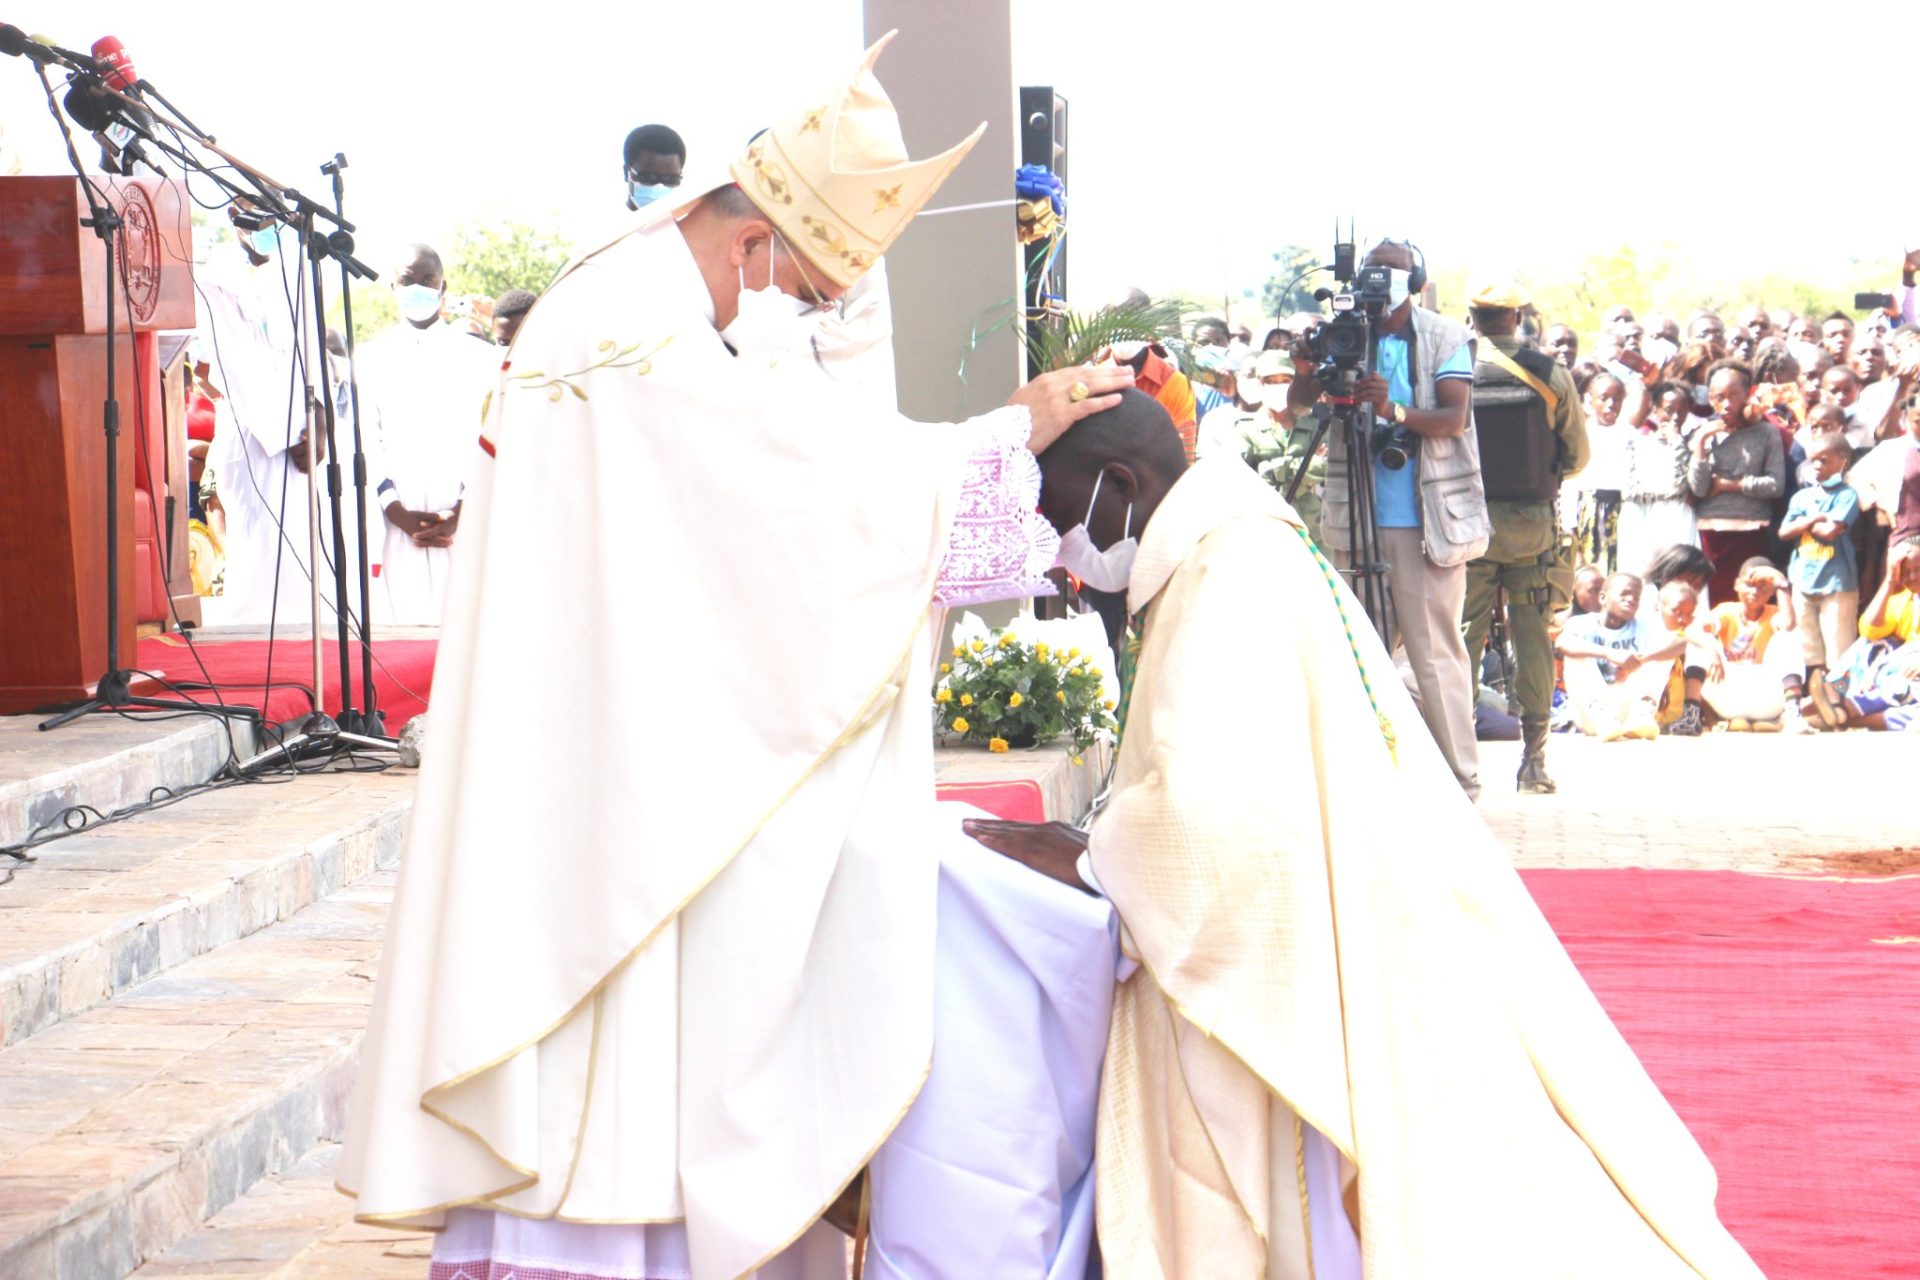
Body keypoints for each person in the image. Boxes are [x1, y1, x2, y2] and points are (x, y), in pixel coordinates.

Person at [339, 36, 1140, 1280]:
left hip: (605, 726)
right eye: (803, 285)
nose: (779, 308)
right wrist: (1004, 433)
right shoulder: (643, 326)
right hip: (616, 751)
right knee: (630, 1040)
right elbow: (783, 516)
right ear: (751, 238)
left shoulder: (622, 300)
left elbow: (758, 497)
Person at [997, 396, 1761, 1280]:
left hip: (1306, 948)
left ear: (1121, 484)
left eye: (1060, 516)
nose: (1061, 549)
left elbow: (1222, 822)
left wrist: (1094, 859)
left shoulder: (1226, 575)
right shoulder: (1239, 545)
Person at [1285, 238, 1488, 799]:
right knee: (1359, 656)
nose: (1380, 278)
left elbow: (1453, 418)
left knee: (1434, 656)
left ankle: (1461, 785)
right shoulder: (1344, 333)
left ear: (1416, 278)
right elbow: (1300, 406)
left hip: (1425, 524)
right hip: (1356, 517)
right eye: (1373, 268)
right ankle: (1371, 786)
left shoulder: (1447, 337)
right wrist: (1308, 365)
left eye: (1393, 270)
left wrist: (1391, 408)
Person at [1459, 281, 1588, 794]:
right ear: (1517, 317)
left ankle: (1456, 759)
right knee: (1532, 634)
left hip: (1466, 524)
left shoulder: (1454, 367)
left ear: (1471, 317)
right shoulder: (1549, 372)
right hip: (1532, 526)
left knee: (1461, 636)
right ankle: (1533, 765)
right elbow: (1577, 455)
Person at [196, 205, 336, 625]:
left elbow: (314, 355)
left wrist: (320, 424)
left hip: (302, 438)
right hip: (257, 438)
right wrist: (286, 431)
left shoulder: (295, 273)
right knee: (259, 557)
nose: (270, 226)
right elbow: (228, 366)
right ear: (236, 215)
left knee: (305, 559)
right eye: (259, 215)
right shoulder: (214, 278)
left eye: (276, 214)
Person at [359, 243, 498, 625]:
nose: (417, 288)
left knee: (464, 629)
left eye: (427, 280)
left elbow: (492, 440)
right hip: (398, 518)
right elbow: (367, 438)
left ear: (443, 287)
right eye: (407, 280)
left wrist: (463, 510)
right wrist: (394, 508)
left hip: (463, 514)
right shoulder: (371, 358)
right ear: (393, 286)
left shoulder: (481, 358)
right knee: (402, 630)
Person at [1688, 362, 1785, 605]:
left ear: (1748, 394)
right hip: (1710, 532)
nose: (1727, 404)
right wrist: (1700, 442)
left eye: (1734, 395)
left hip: (1751, 531)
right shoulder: (1704, 432)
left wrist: (1727, 485)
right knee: (1713, 603)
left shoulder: (1766, 433)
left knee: (1750, 601)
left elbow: (1776, 484)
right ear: (1711, 399)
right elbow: (1699, 488)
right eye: (1720, 397)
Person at [1555, 573, 1687, 740]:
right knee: (1575, 651)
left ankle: (1642, 713)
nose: (1631, 599)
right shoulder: (1580, 623)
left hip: (1629, 711)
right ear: (1603, 598)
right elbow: (1562, 643)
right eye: (1624, 594)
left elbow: (1681, 643)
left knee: (1662, 652)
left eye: (1636, 596)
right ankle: (1603, 719)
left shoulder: (1645, 627)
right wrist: (1609, 654)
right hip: (1592, 713)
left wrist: (1639, 659)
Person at [1807, 549, 1920, 730]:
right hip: (1898, 670)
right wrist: (1890, 581)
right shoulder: (1905, 600)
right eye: (1906, 571)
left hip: (1909, 681)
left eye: (1918, 569)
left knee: (1906, 690)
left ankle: (1841, 711)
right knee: (1868, 645)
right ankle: (1835, 693)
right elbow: (1868, 629)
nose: (1912, 576)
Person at [1781, 432, 1861, 686]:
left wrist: (1803, 522)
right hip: (1803, 580)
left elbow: (1830, 533)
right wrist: (1815, 518)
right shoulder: (1801, 497)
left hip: (1836, 581)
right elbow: (1784, 532)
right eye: (1813, 460)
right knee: (1809, 647)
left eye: (1824, 460)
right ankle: (1818, 699)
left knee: (1839, 648)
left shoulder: (1847, 495)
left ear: (1843, 461)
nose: (1816, 466)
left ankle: (1841, 702)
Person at [1698, 558, 1804, 730]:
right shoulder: (1726, 611)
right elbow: (1699, 629)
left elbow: (1788, 624)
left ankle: (1792, 714)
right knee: (1701, 641)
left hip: (1764, 697)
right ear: (1736, 584)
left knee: (1788, 637)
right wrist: (1712, 651)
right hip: (1729, 697)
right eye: (1749, 584)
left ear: (1772, 591)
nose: (1755, 591)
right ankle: (1708, 718)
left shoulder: (1775, 614)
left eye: (1763, 587)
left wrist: (1782, 584)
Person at [1618, 380, 1698, 573]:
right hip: (1641, 512)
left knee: (1675, 569)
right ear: (1655, 409)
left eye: (1682, 410)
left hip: (1676, 513)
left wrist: (1677, 442)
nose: (1675, 417)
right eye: (1669, 409)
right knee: (1638, 570)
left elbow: (1683, 482)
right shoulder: (1639, 443)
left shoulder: (1692, 443)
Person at [1639, 543, 1717, 735]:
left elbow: (1705, 625)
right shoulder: (1647, 596)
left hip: (1677, 677)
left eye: (1696, 586)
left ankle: (1690, 715)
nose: (1690, 589)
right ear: (1669, 572)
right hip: (1645, 669)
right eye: (1687, 580)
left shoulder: (1688, 603)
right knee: (1693, 642)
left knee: (1701, 641)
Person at [1571, 371, 1629, 573]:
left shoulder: (1631, 436)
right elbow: (1570, 486)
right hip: (1590, 514)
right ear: (1590, 400)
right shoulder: (1580, 435)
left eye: (1617, 399)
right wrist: (1571, 530)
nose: (1611, 404)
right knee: (1591, 573)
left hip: (1625, 514)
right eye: (1603, 398)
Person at [622, 122, 685, 210]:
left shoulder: (688, 222)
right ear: (626, 173)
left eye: (671, 180)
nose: (659, 187)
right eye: (648, 178)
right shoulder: (610, 222)